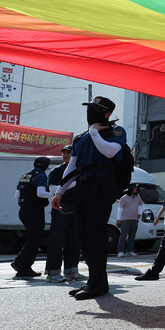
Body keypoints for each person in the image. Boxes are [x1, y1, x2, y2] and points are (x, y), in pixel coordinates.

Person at [51, 96, 126, 300]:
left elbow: (110, 152)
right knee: (84, 236)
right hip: (83, 185)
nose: (90, 112)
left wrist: (94, 132)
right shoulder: (81, 138)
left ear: (107, 114)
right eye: (90, 108)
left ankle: (96, 283)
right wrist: (60, 191)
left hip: (103, 184)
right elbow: (72, 166)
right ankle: (97, 282)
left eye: (95, 110)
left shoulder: (116, 131)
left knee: (95, 235)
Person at [11, 156, 53, 278]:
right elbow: (40, 193)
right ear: (47, 166)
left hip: (23, 210)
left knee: (31, 239)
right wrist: (56, 194)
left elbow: (17, 196)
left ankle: (19, 262)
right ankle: (24, 268)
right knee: (35, 240)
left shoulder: (25, 175)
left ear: (34, 163)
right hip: (35, 211)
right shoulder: (41, 176)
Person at [46, 146, 83, 283]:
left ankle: (71, 270)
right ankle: (52, 272)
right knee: (57, 240)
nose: (66, 155)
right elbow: (53, 189)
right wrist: (74, 183)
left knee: (74, 240)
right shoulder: (58, 171)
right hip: (62, 207)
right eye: (64, 153)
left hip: (77, 207)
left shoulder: (79, 169)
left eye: (69, 153)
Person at [115, 184, 144, 258]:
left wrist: (140, 213)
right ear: (131, 189)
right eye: (135, 188)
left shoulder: (138, 197)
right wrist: (118, 219)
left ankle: (129, 251)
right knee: (123, 235)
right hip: (125, 219)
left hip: (134, 219)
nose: (136, 189)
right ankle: (121, 251)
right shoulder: (124, 198)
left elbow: (142, 205)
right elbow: (120, 209)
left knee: (132, 236)